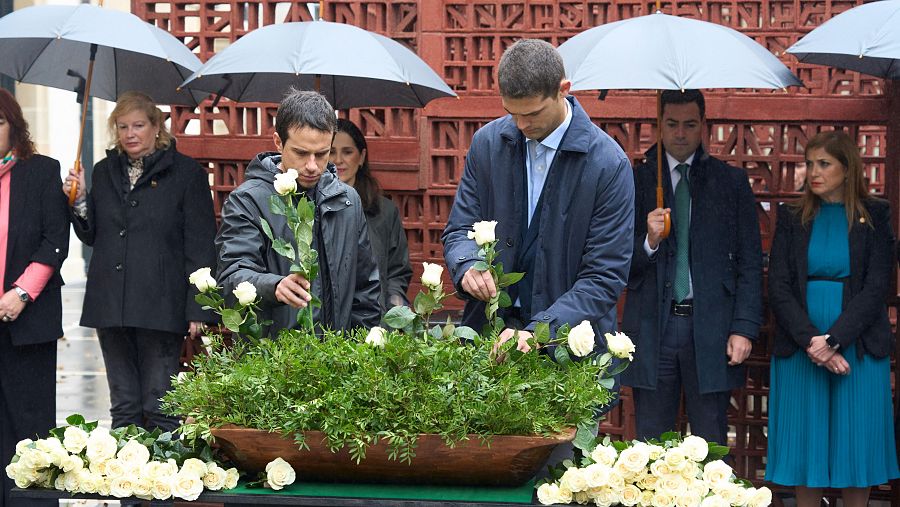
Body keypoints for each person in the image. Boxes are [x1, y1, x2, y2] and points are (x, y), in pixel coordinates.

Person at [442, 39, 634, 352]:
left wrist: (541, 331)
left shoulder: (609, 164)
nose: (521, 124)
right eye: (511, 113)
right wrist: (467, 266)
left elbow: (604, 276)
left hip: (569, 351)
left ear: (564, 89)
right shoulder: (487, 144)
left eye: (532, 113)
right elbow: (458, 230)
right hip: (488, 338)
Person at [63, 91, 217, 432]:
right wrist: (80, 199)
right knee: (124, 405)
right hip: (111, 302)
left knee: (160, 403)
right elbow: (93, 235)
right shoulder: (104, 171)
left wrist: (198, 307)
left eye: (138, 125)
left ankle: (164, 477)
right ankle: (122, 479)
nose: (130, 133)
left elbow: (201, 244)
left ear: (156, 128)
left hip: (161, 304)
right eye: (122, 126)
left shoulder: (186, 174)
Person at [620, 89, 763, 445]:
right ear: (659, 126)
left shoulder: (729, 183)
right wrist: (649, 241)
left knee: (710, 441)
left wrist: (744, 328)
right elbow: (616, 262)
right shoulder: (637, 181)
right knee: (651, 442)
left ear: (703, 126)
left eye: (689, 124)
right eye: (672, 124)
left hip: (712, 327)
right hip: (655, 328)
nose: (680, 133)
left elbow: (750, 261)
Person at [766, 130, 899, 506]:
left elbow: (877, 287)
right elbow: (778, 286)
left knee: (856, 446)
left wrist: (835, 341)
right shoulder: (792, 216)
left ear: (847, 168)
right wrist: (814, 343)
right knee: (805, 448)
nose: (813, 172)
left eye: (823, 164)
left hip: (857, 344)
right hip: (800, 342)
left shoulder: (875, 215)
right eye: (809, 164)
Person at [216, 90, 380, 334]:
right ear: (278, 142)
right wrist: (273, 286)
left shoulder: (347, 200)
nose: (312, 166)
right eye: (301, 153)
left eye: (322, 154)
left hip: (339, 359)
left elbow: (365, 288)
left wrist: (361, 353)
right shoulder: (248, 200)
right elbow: (231, 277)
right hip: (274, 361)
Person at [0, 89, 69, 507]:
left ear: (14, 127)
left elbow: (54, 239)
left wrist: (21, 292)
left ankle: (29, 502)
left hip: (27, 318)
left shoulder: (41, 170)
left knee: (29, 421)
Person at [330, 118, 412, 312]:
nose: (338, 160)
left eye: (347, 152)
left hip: (375, 317)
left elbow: (397, 270)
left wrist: (394, 305)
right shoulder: (309, 207)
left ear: (361, 157)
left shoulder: (385, 211)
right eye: (331, 152)